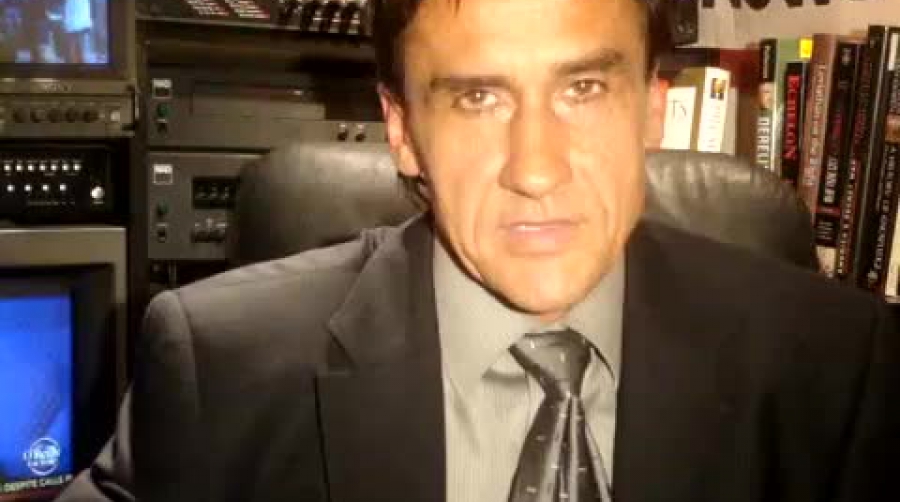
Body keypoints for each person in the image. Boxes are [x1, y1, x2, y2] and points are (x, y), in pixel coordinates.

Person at [57, 0, 898, 501]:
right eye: (478, 98)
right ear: (402, 131)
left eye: (584, 87)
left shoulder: (836, 366)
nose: (536, 169)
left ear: (652, 108)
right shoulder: (221, 366)